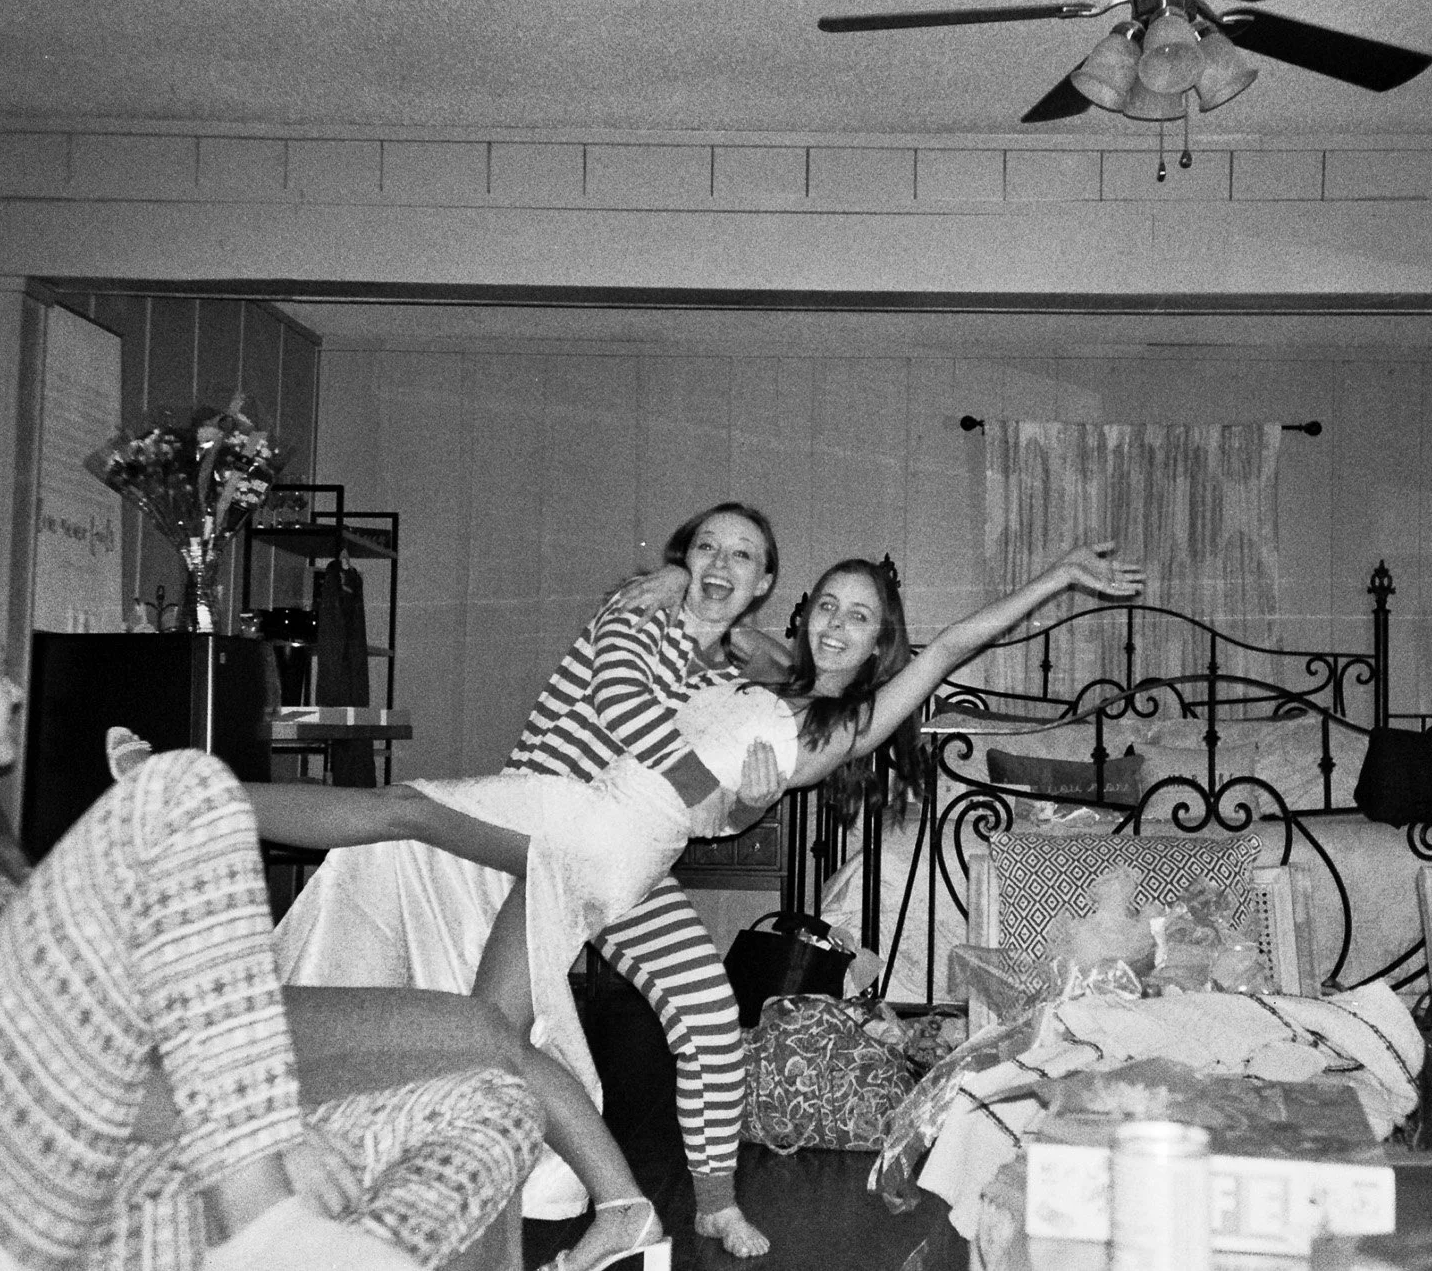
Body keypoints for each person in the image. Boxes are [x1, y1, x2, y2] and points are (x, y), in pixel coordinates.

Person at [268, 533, 1145, 1261]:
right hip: (610, 834)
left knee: (420, 825)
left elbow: (951, 646)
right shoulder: (762, 667)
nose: (838, 624)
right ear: (803, 611)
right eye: (827, 605)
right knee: (508, 1021)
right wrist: (672, 575)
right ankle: (596, 1201)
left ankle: (707, 1204)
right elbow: (703, 622)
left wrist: (1057, 576)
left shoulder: (849, 720)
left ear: (882, 640)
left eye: (860, 616)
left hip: (618, 844)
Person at [0, 575, 544, 1271]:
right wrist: (264, 1139)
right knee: (182, 789)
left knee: (496, 1103)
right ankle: (264, 1216)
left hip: (118, 1202)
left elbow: (94, 1046)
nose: (17, 690)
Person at [275, 502, 788, 1267]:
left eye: (741, 555)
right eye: (706, 546)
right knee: (479, 1005)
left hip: (623, 861)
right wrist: (714, 782)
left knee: (711, 1014)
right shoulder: (638, 614)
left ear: (763, 581)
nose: (719, 563)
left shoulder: (721, 683)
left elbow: (716, 806)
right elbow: (623, 703)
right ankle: (200, 799)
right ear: (681, 559)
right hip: (537, 829)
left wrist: (749, 800)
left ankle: (712, 1204)